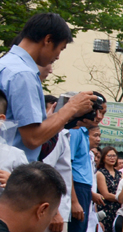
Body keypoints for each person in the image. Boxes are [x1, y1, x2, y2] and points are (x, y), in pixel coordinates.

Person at [0, 14, 96, 164]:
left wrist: (68, 116)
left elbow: (21, 127)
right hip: (10, 175)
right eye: (60, 48)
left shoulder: (6, 64)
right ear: (48, 40)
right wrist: (71, 107)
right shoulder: (23, 74)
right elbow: (32, 138)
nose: (58, 56)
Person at [40, 95, 70, 232]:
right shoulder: (53, 133)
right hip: (52, 212)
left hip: (59, 209)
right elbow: (45, 172)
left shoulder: (64, 133)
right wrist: (54, 212)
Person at [95, 146, 121, 232]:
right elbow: (105, 194)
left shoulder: (119, 174)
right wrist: (120, 197)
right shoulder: (100, 173)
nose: (112, 158)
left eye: (114, 155)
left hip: (117, 210)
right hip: (105, 208)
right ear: (104, 157)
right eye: (109, 155)